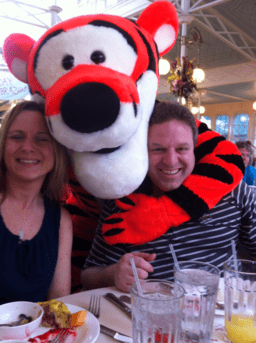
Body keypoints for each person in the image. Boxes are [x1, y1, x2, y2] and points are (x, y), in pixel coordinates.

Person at [81, 101, 256, 292]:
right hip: (146, 313)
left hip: (220, 314)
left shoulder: (235, 193)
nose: (171, 161)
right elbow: (88, 276)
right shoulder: (123, 199)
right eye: (158, 149)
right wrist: (113, 273)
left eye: (182, 149)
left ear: (194, 149)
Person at [0, 100, 73, 304]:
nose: (27, 147)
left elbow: (58, 302)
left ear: (56, 151)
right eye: (16, 137)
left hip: (36, 335)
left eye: (42, 139)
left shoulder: (62, 221)